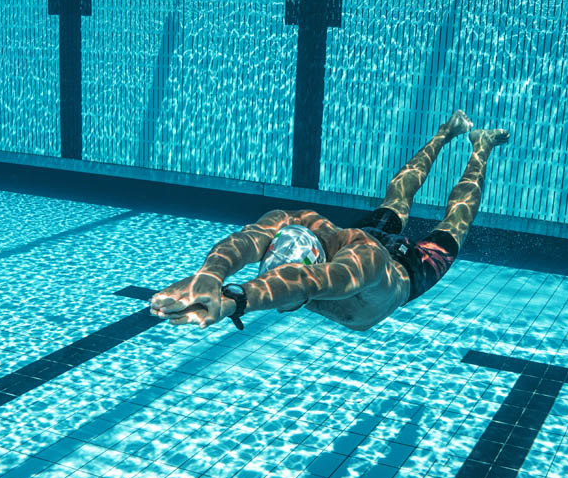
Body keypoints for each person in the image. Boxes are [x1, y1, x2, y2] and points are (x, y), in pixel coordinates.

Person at [150, 111, 509, 332]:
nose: (276, 293)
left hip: (406, 270)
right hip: (361, 236)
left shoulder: (359, 265)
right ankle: (445, 133)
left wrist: (235, 300)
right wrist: (211, 274)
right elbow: (252, 235)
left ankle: (481, 146)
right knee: (396, 198)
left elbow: (303, 281)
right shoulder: (310, 226)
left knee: (455, 222)